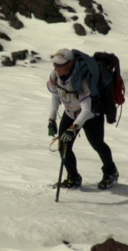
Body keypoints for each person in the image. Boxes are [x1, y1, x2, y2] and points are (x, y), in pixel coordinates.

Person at [47, 48, 119, 190]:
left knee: (97, 144)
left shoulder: (81, 79)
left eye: (60, 65)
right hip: (70, 113)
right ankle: (73, 178)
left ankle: (111, 172)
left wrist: (73, 129)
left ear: (70, 64)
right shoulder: (54, 76)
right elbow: (56, 95)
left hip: (91, 116)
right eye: (55, 64)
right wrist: (51, 119)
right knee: (63, 146)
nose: (57, 68)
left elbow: (86, 109)